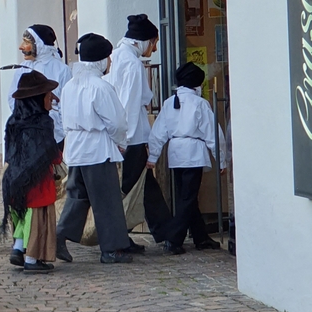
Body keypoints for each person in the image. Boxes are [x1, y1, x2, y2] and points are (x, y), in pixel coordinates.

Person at [56, 33, 133, 264]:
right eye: (108, 58)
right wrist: (121, 143)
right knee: (106, 200)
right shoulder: (101, 87)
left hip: (75, 148)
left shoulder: (70, 86)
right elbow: (116, 122)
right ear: (101, 60)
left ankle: (60, 235)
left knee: (78, 196)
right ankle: (112, 249)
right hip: (98, 149)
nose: (109, 62)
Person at [108, 14, 173, 251]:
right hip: (131, 137)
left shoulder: (117, 56)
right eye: (154, 43)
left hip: (124, 135)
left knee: (143, 187)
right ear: (145, 40)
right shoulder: (132, 64)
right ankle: (121, 237)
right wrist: (125, 140)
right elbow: (130, 104)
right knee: (137, 188)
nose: (153, 49)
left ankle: (167, 233)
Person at [146, 62, 226, 254]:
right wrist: (221, 159)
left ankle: (201, 237)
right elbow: (213, 134)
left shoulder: (169, 102)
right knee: (188, 198)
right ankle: (173, 239)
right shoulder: (199, 103)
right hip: (193, 154)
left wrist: (153, 156)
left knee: (187, 197)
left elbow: (158, 132)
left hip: (175, 154)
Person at [2, 71, 61, 273]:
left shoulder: (13, 121)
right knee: (36, 219)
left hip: (14, 178)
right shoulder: (43, 123)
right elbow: (49, 153)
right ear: (37, 99)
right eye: (47, 95)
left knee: (22, 214)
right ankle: (32, 259)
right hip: (37, 181)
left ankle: (18, 248)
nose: (51, 98)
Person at [7, 25, 72, 147]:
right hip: (26, 133)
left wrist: (61, 129)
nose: (21, 47)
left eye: (26, 42)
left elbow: (66, 103)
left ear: (40, 45)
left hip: (54, 135)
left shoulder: (62, 70)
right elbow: (12, 98)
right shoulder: (22, 69)